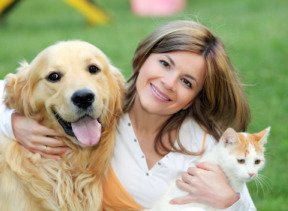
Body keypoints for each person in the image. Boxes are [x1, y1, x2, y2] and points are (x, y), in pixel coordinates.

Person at [0, 20, 255, 210]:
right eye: (165, 64)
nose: (168, 82)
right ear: (143, 57)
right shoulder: (112, 112)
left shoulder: (204, 147)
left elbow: (244, 205)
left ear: (195, 97)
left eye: (187, 82)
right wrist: (11, 121)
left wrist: (228, 201)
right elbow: (12, 87)